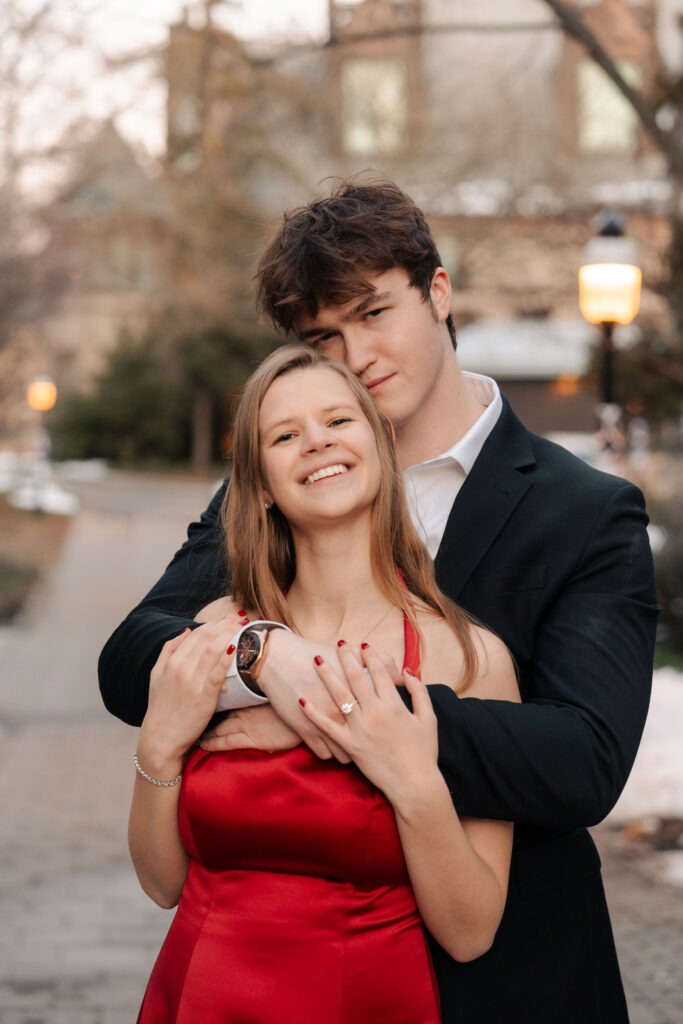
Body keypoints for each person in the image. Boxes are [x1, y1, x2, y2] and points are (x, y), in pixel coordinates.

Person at [101, 179, 659, 1023]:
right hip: (284, 983)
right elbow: (131, 655)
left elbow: (582, 759)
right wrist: (261, 654)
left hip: (508, 975)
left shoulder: (582, 512)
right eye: (321, 336)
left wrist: (334, 709)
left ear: (437, 292)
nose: (354, 356)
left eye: (371, 314)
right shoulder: (281, 484)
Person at [130, 345, 519, 1022]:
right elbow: (161, 883)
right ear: (257, 485)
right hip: (198, 996)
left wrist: (411, 779)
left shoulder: (467, 657)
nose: (316, 442)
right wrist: (156, 753)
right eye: (285, 435)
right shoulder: (218, 636)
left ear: (378, 444)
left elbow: (470, 932)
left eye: (338, 421)